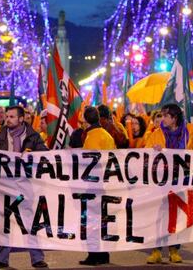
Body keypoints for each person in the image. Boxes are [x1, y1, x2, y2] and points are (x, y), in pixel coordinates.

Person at [0, 105, 48, 269]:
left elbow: (45, 155)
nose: (7, 119)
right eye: (7, 116)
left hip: (25, 186)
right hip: (5, 185)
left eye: (12, 117)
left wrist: (34, 155)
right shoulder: (0, 136)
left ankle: (37, 258)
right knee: (5, 222)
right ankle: (2, 259)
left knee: (30, 220)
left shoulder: (33, 137)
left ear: (21, 119)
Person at [145, 103, 193, 264]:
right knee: (158, 217)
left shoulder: (189, 133)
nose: (162, 119)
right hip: (161, 183)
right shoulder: (156, 134)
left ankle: (174, 250)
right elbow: (146, 151)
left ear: (174, 118)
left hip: (180, 181)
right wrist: (153, 150)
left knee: (175, 217)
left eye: (165, 116)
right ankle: (156, 250)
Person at [79, 106, 115, 266]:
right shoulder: (106, 135)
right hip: (106, 184)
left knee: (92, 221)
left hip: (94, 185)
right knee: (102, 221)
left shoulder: (92, 137)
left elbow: (90, 162)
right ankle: (104, 254)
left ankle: (94, 255)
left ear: (86, 120)